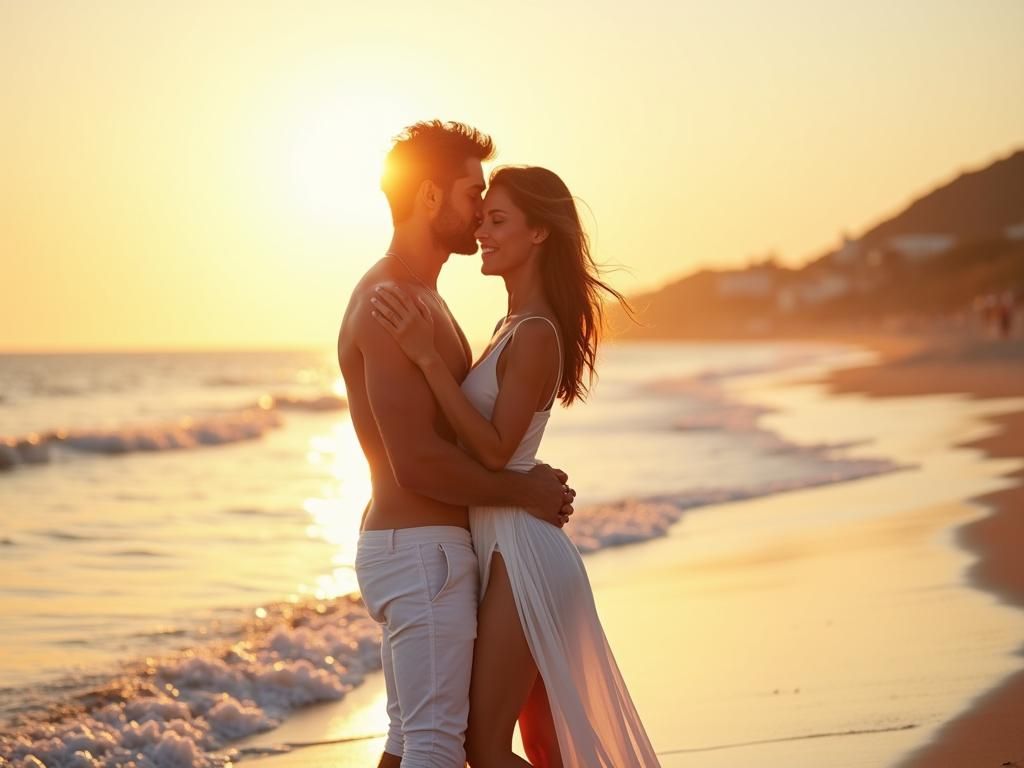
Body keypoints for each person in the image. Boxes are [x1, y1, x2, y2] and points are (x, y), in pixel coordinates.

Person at [370, 166, 661, 767]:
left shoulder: (535, 333)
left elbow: (495, 450)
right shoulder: (511, 327)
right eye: (482, 219)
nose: (482, 232)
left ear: (539, 233)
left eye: (498, 221)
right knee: (529, 743)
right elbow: (509, 447)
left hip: (523, 552)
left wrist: (427, 360)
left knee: (482, 746)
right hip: (503, 542)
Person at [336, 121, 577, 768]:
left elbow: (466, 434)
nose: (479, 213)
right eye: (474, 194)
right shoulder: (391, 301)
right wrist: (521, 489)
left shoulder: (425, 298)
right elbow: (415, 462)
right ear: (430, 196)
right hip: (420, 554)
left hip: (425, 551)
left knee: (411, 742)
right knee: (437, 748)